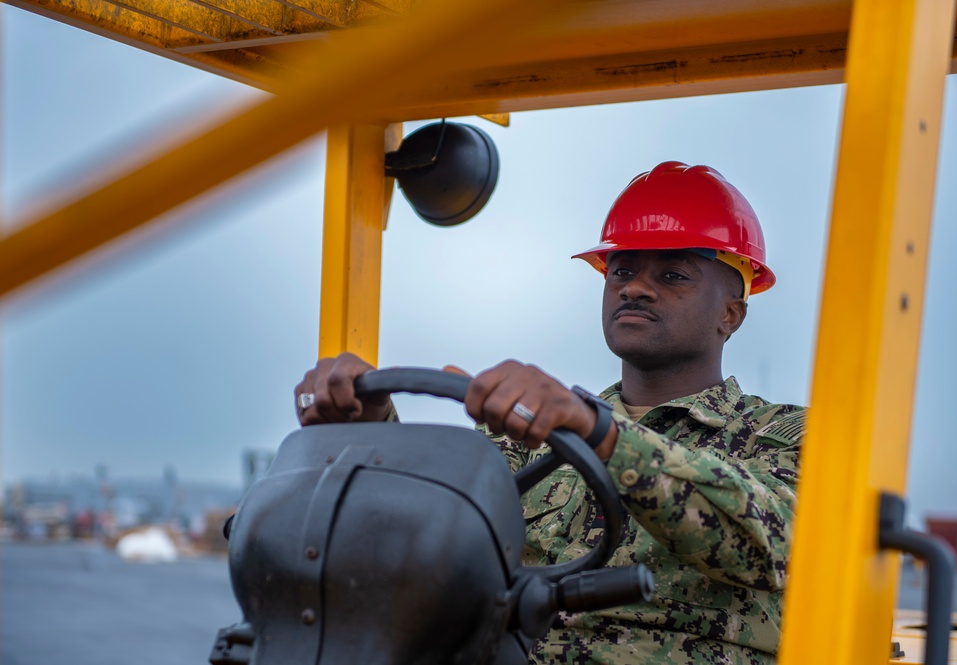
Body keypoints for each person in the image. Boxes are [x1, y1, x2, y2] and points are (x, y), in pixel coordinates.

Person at [295, 161, 805, 664]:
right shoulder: (531, 437)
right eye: (622, 270)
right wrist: (371, 429)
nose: (634, 287)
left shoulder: (779, 437)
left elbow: (767, 538)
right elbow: (424, 540)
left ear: (730, 314)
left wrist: (600, 432)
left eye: (673, 274)